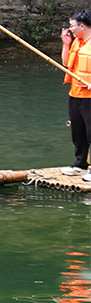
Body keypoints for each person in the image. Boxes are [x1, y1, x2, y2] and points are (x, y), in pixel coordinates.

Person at [59, 9, 91, 180]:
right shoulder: (76, 42)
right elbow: (66, 64)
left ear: (82, 26)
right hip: (75, 94)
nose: (69, 29)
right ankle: (80, 164)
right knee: (77, 131)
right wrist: (66, 44)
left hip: (90, 97)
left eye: (72, 26)